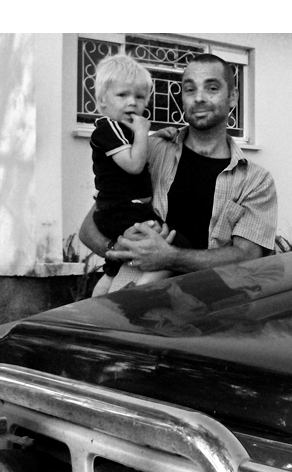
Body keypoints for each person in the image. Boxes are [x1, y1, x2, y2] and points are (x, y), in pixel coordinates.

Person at [79, 53, 278, 292]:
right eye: (190, 90)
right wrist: (117, 248)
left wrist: (170, 257)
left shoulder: (256, 180)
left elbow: (248, 257)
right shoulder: (148, 152)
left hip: (217, 309)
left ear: (233, 97)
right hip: (134, 305)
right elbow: (91, 226)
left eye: (212, 88)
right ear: (182, 99)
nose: (199, 98)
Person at [87, 54, 190, 296]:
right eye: (122, 95)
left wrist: (154, 136)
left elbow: (132, 149)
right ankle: (141, 290)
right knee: (174, 245)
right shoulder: (107, 129)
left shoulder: (120, 131)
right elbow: (134, 164)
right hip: (123, 211)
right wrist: (144, 132)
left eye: (140, 97)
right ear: (102, 102)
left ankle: (98, 297)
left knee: (114, 267)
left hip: (119, 210)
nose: (132, 103)